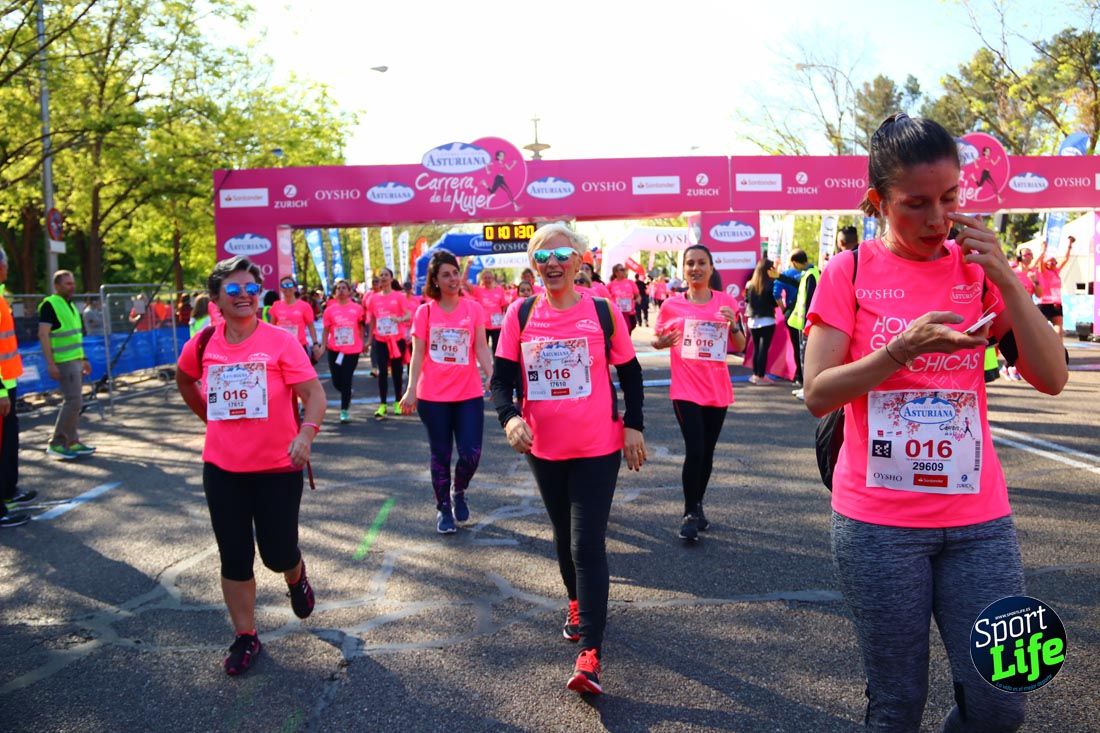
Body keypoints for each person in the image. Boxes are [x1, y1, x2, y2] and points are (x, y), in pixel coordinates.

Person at [803, 113, 1067, 732]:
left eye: (950, 198)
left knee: (1002, 700)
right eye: (915, 204)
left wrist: (1006, 278)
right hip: (877, 523)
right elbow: (817, 393)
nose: (937, 219)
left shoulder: (978, 271)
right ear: (876, 202)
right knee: (898, 703)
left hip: (980, 521)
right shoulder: (850, 272)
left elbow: (1052, 376)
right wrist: (901, 350)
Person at [490, 222, 646, 697]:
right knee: (563, 536)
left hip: (598, 446)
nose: (552, 264)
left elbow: (631, 372)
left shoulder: (602, 311)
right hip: (544, 448)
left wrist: (634, 425)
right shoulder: (520, 313)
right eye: (542, 257)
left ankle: (591, 654)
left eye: (561, 255)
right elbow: (500, 381)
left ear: (580, 262)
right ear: (533, 266)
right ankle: (576, 603)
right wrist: (509, 417)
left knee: (586, 544)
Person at [175, 255, 327, 677]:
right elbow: (184, 378)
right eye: (234, 290)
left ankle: (295, 575)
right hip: (223, 469)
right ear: (216, 300)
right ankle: (246, 635)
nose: (244, 296)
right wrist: (208, 415)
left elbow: (314, 395)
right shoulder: (204, 343)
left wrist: (305, 435)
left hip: (278, 467)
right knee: (234, 557)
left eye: (251, 289)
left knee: (277, 553)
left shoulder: (280, 341)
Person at [651, 244, 744, 541]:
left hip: (717, 389)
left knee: (708, 452)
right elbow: (658, 341)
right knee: (696, 450)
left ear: (711, 267)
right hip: (686, 389)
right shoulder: (671, 305)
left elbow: (740, 347)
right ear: (684, 269)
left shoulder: (726, 301)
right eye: (690, 263)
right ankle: (690, 511)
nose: (695, 268)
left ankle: (698, 506)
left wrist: (734, 326)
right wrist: (662, 343)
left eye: (701, 263)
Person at [400, 251, 493, 533]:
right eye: (446, 275)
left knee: (471, 454)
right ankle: (443, 509)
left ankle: (459, 490)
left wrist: (493, 377)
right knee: (440, 455)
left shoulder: (473, 308)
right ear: (435, 281)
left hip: (468, 394)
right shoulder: (425, 312)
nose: (453, 279)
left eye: (455, 273)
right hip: (433, 397)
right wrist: (410, 390)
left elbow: (480, 347)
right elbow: (417, 356)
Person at [38, 270, 93, 461]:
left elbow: (76, 337)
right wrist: (51, 363)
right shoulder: (50, 305)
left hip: (75, 359)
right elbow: (43, 334)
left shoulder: (70, 305)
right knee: (73, 401)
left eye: (72, 283)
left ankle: (72, 440)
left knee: (75, 402)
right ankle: (57, 442)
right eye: (68, 283)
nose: (72, 286)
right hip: (63, 361)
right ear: (57, 286)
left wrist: (83, 358)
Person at [1, 246, 33, 527]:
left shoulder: (1, 297)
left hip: (7, 384)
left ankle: (8, 491)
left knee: (10, 442)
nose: (7, 269)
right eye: (5, 264)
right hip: (1, 388)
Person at [365, 267, 410, 419]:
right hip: (380, 339)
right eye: (381, 275)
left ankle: (398, 401)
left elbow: (408, 314)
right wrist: (369, 340)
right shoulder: (374, 298)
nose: (383, 278)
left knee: (397, 372)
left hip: (396, 339)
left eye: (386, 275)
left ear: (391, 279)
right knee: (382, 372)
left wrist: (400, 319)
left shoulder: (399, 296)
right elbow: (372, 320)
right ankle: (383, 404)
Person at [322, 278, 367, 423]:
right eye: (338, 288)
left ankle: (344, 410)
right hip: (334, 349)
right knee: (336, 381)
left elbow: (361, 327)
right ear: (334, 293)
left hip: (352, 350)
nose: (341, 290)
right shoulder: (329, 310)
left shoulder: (357, 308)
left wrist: (363, 343)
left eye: (344, 288)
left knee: (347, 379)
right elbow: (326, 330)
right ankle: (347, 393)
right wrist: (322, 346)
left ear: (349, 291)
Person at [785, 250, 820, 401]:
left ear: (796, 262)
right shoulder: (810, 272)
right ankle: (805, 387)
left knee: (806, 357)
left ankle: (808, 390)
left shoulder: (811, 274)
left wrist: (808, 323)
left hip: (806, 323)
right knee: (804, 356)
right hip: (803, 322)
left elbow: (810, 298)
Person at [743, 258, 781, 385]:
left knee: (756, 348)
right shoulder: (771, 283)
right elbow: (773, 302)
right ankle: (761, 376)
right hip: (767, 320)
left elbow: (747, 300)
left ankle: (755, 375)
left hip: (752, 320)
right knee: (763, 349)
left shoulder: (749, 284)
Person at [774, 251, 808, 386]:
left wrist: (783, 310)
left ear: (793, 262)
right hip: (809, 313)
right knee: (810, 347)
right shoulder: (814, 272)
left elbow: (776, 293)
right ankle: (808, 377)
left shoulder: (786, 275)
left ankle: (800, 377)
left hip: (793, 314)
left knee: (797, 345)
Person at [270, 275, 322, 362]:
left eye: (289, 285)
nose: (287, 288)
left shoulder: (304, 306)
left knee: (302, 374)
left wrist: (315, 344)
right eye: (284, 286)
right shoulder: (276, 306)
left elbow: (311, 326)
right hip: (282, 347)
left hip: (299, 346)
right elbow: (272, 328)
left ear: (295, 288)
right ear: (281, 289)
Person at [464, 267, 508, 352]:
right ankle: (485, 365)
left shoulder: (499, 290)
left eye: (489, 277)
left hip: (496, 325)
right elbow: (464, 281)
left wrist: (505, 320)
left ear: (493, 278)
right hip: (483, 325)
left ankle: (496, 365)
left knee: (497, 349)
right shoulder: (478, 290)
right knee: (482, 348)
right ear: (482, 279)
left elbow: (504, 306)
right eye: (485, 277)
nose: (487, 280)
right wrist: (468, 266)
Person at [1036, 236, 1073, 338]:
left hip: (1056, 303)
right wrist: (1043, 250)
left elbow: (1066, 259)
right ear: (1045, 262)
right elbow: (1039, 262)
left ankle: (1059, 349)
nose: (1052, 262)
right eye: (1049, 261)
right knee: (1040, 328)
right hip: (1044, 302)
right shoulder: (1043, 271)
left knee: (1058, 327)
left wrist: (1070, 245)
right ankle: (1041, 347)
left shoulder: (1056, 272)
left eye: (1054, 261)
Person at [607, 263, 641, 333]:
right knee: (622, 332)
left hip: (630, 313)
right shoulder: (611, 284)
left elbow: (637, 295)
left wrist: (638, 299)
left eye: (624, 269)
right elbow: (605, 296)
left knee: (630, 328)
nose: (624, 271)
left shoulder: (630, 282)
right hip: (617, 313)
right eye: (621, 270)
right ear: (616, 272)